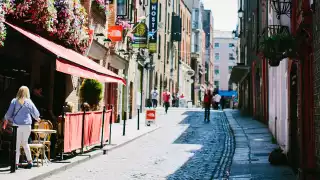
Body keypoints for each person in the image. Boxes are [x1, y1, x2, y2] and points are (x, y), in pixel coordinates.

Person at [4, 86, 40, 169]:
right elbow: (36, 113)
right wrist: (37, 118)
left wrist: (6, 119)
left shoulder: (14, 101)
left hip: (17, 125)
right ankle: (30, 161)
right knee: (25, 143)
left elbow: (9, 113)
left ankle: (15, 164)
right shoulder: (29, 101)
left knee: (17, 144)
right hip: (27, 125)